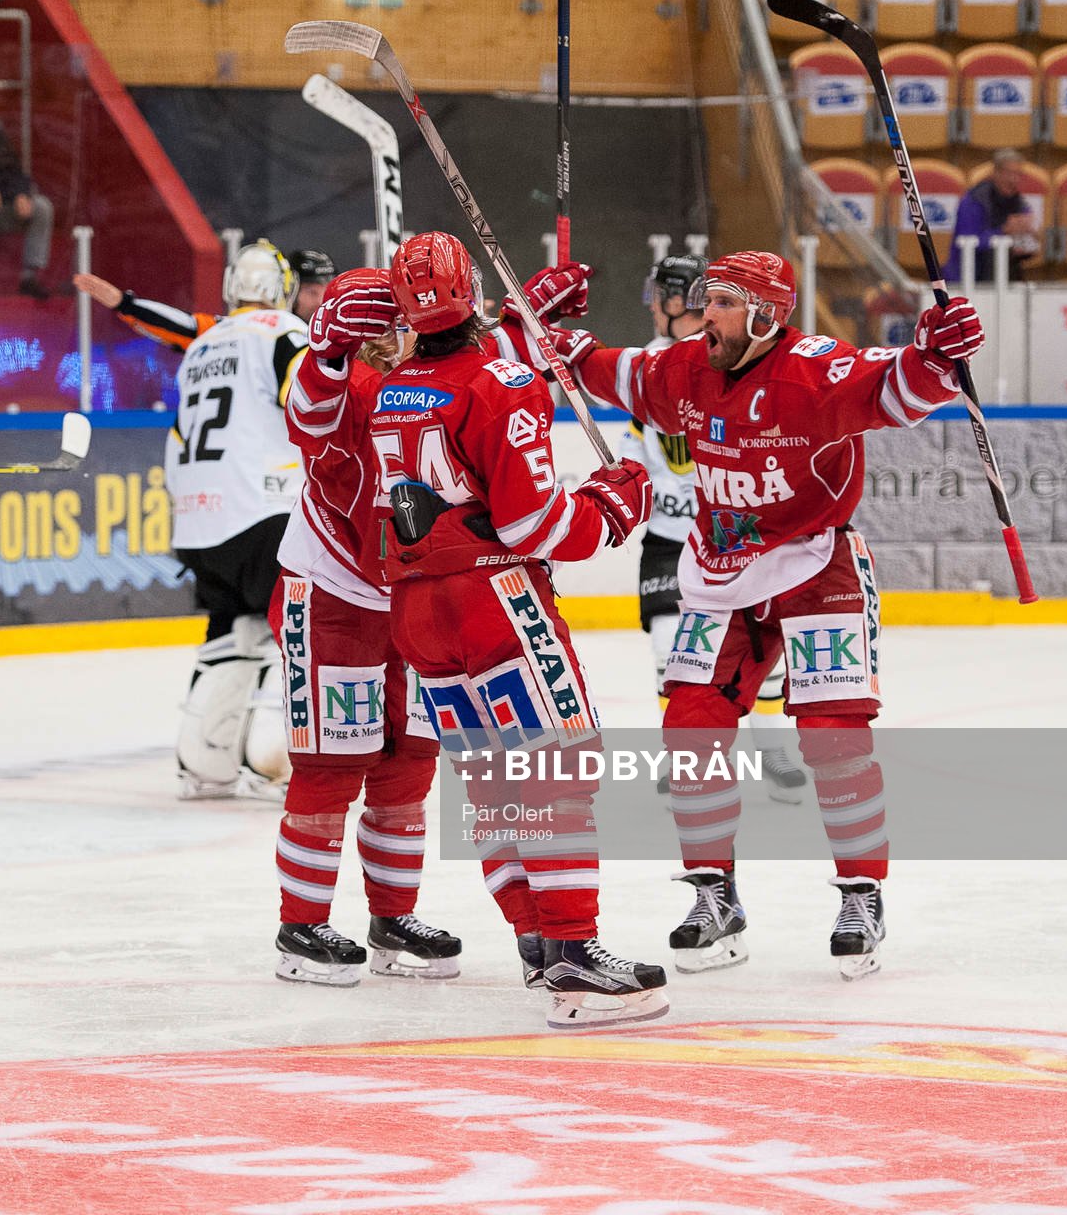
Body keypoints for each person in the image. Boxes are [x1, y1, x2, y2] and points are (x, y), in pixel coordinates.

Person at [548, 251, 985, 980]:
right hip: (721, 571)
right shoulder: (683, 368)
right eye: (707, 299)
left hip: (817, 565)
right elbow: (603, 371)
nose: (705, 313)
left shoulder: (816, 371)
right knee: (689, 723)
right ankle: (714, 894)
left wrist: (938, 352)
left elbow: (900, 388)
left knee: (833, 738)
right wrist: (555, 333)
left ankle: (862, 893)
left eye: (721, 301)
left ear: (763, 314)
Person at [323, 231, 667, 1028]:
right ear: (472, 290)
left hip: (417, 614)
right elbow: (532, 521)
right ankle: (577, 953)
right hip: (494, 601)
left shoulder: (391, 385)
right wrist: (609, 509)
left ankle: (537, 944)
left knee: (493, 784)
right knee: (555, 771)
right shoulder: (506, 380)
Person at [270, 269, 459, 987]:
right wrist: (326, 346)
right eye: (375, 326)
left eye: (401, 321)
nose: (392, 336)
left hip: (411, 598)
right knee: (331, 764)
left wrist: (531, 327)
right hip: (330, 595)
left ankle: (392, 917)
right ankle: (303, 928)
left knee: (408, 761)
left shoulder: (442, 382)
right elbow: (307, 415)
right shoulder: (341, 386)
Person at [629, 254, 807, 803]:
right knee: (669, 648)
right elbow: (634, 455)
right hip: (667, 536)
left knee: (760, 653)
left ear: (674, 299)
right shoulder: (654, 367)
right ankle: (684, 757)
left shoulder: (729, 362)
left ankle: (774, 753)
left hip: (730, 536)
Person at [165, 239, 307, 801]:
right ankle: (277, 760)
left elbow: (177, 440)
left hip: (199, 521)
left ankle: (205, 762)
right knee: (297, 630)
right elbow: (311, 401)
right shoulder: (285, 332)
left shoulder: (200, 346)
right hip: (265, 510)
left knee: (231, 630)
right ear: (282, 290)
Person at [72, 245, 337, 347]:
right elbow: (185, 326)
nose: (321, 303)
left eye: (327, 294)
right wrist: (125, 304)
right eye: (312, 292)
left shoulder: (232, 332)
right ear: (286, 289)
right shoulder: (247, 332)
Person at [944, 148, 1039, 284]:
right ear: (996, 173)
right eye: (1009, 173)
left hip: (1005, 276)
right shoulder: (973, 201)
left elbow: (1029, 248)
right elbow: (966, 243)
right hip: (968, 277)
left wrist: (1029, 240)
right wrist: (1003, 231)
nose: (1013, 179)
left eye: (1018, 174)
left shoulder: (1021, 204)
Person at [0, 120, 54, 299]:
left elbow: (13, 170)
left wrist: (20, 194)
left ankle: (29, 277)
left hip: (3, 206)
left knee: (41, 207)